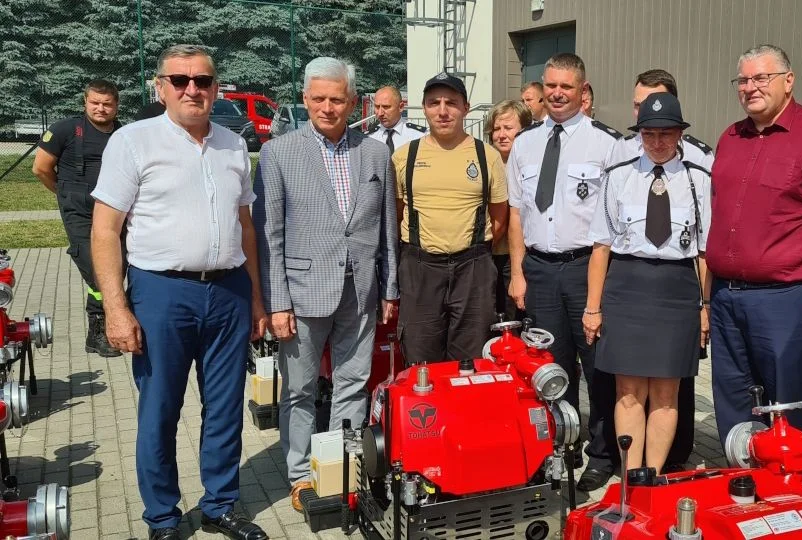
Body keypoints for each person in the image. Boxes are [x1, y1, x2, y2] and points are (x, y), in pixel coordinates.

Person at [90, 44, 268, 540]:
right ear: (161, 86)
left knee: (226, 406)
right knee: (161, 409)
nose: (193, 89)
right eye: (181, 79)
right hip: (161, 292)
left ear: (216, 87)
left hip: (229, 290)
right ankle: (164, 517)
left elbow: (244, 225)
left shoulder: (233, 145)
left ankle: (220, 504)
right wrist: (116, 308)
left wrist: (255, 297)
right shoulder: (133, 141)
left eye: (203, 80)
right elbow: (105, 230)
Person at [253, 57, 399, 513]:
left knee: (353, 383)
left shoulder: (375, 153)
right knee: (298, 390)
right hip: (301, 294)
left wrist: (390, 288)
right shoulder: (279, 152)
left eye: (338, 99)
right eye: (319, 98)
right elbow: (268, 235)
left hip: (361, 292)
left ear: (354, 102)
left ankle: (341, 468)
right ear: (304, 99)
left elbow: (387, 231)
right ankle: (300, 474)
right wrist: (278, 302)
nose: (328, 107)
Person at [707, 44, 802, 445]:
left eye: (761, 78)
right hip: (726, 299)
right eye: (744, 80)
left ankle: (788, 494)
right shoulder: (730, 137)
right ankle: (742, 490)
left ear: (788, 81)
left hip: (784, 301)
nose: (751, 87)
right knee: (734, 404)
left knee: (787, 406)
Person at [506, 53, 623, 491]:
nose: (556, 93)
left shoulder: (607, 144)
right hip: (539, 269)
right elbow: (517, 214)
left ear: (582, 90)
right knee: (552, 367)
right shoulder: (525, 142)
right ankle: (561, 446)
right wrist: (517, 273)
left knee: (597, 367)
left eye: (566, 87)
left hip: (584, 270)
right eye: (550, 85)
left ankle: (602, 453)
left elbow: (612, 219)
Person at [583, 91, 710, 472]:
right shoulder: (618, 177)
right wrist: (593, 308)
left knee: (668, 394)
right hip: (626, 288)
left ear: (680, 135)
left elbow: (704, 253)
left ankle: (652, 476)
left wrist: (705, 308)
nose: (657, 142)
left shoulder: (699, 180)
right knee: (628, 392)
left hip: (677, 292)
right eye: (649, 134)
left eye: (667, 134)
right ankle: (630, 477)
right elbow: (601, 248)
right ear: (639, 134)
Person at [393, 73, 508, 364]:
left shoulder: (487, 156)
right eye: (434, 103)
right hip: (420, 267)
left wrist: (471, 251)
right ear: (424, 107)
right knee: (420, 358)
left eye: (451, 103)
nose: (443, 111)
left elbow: (499, 218)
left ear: (465, 108)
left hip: (473, 268)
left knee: (472, 358)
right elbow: (395, 214)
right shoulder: (404, 156)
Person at [31, 79, 123, 357]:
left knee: (118, 266)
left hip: (115, 209)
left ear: (116, 106)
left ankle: (101, 330)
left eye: (107, 104)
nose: (100, 108)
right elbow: (41, 169)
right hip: (80, 209)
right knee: (96, 268)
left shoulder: (125, 133)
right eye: (95, 102)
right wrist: (64, 193)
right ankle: (100, 328)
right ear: (85, 102)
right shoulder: (66, 129)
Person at [484, 99, 535, 321]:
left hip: (518, 256)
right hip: (488, 254)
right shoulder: (484, 161)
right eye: (496, 129)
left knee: (515, 316)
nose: (501, 135)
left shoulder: (532, 163)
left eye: (508, 128)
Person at [367, 85, 426, 155]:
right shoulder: (369, 138)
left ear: (400, 107)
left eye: (386, 107)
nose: (380, 113)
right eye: (377, 107)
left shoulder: (419, 136)